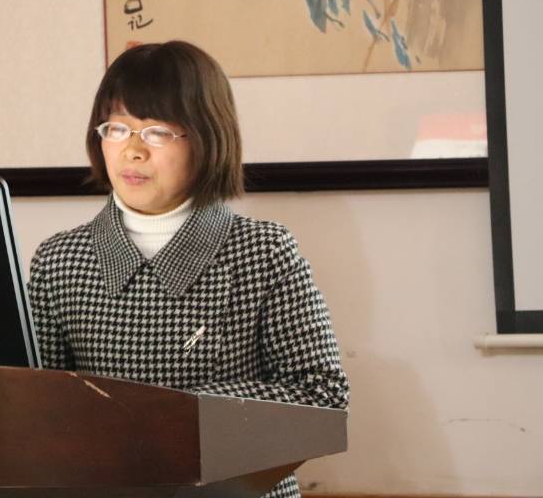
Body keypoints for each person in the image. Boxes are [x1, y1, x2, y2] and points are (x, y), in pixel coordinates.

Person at [26, 40, 349, 498]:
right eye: (116, 128)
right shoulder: (60, 259)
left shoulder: (263, 251)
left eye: (157, 132)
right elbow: (35, 412)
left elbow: (323, 396)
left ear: (206, 137)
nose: (132, 150)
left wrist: (176, 412)